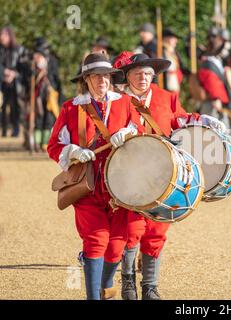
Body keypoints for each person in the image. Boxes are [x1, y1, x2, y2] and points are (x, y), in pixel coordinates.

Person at [112, 51, 226, 300]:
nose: (143, 77)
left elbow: (182, 120)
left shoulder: (167, 97)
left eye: (147, 73)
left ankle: (150, 286)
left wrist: (203, 119)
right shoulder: (117, 101)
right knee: (132, 231)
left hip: (164, 175)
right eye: (137, 73)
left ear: (153, 76)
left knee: (157, 230)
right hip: (129, 175)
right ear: (127, 76)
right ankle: (128, 280)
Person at [47, 53, 144, 300]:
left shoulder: (124, 103)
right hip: (87, 187)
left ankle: (107, 284)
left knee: (116, 247)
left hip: (120, 187)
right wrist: (74, 151)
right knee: (96, 240)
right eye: (96, 75)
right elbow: (54, 145)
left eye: (106, 75)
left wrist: (127, 133)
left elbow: (139, 129)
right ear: (87, 79)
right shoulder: (72, 107)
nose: (102, 80)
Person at [197, 27, 231, 128]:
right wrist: (216, 98)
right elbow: (211, 81)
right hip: (212, 102)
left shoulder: (216, 60)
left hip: (217, 101)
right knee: (212, 133)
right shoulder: (208, 62)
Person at [0, 26, 28, 137]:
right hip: (2, 82)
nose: (1, 38)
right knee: (3, 106)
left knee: (15, 106)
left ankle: (15, 129)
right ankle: (4, 129)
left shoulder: (19, 49)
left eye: (3, 35)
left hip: (16, 83)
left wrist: (14, 74)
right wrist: (4, 72)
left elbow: (24, 67)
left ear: (9, 36)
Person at [162, 28, 188, 94]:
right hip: (165, 85)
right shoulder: (161, 51)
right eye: (173, 38)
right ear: (166, 39)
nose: (176, 41)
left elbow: (182, 67)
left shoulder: (175, 52)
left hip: (174, 83)